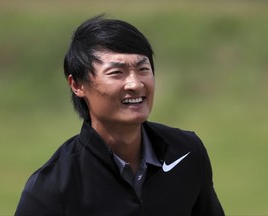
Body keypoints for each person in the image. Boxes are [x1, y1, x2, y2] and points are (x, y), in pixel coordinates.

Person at [15, 15, 225, 216]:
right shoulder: (52, 188)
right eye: (117, 72)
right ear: (77, 85)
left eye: (143, 69)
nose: (135, 84)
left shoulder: (187, 152)